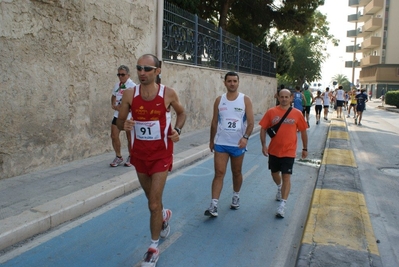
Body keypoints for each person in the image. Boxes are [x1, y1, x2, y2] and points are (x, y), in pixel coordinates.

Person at [117, 54, 186, 267]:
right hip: (139, 156)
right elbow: (119, 122)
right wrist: (124, 125)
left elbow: (182, 114)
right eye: (139, 68)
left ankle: (153, 247)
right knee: (151, 201)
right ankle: (165, 215)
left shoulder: (168, 94)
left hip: (161, 155)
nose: (142, 72)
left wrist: (177, 130)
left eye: (147, 69)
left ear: (157, 71)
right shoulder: (129, 94)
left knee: (153, 203)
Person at [204, 72, 254, 217]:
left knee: (236, 172)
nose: (232, 83)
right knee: (219, 173)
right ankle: (213, 205)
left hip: (238, 144)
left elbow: (251, 122)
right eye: (229, 81)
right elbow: (214, 122)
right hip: (221, 143)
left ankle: (236, 195)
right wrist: (211, 140)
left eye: (235, 81)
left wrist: (245, 138)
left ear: (238, 83)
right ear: (224, 83)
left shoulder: (245, 100)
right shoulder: (219, 100)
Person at [259, 89, 308, 218]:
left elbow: (303, 131)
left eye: (287, 97)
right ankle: (279, 187)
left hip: (289, 151)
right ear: (278, 98)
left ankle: (283, 205)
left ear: (291, 98)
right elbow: (263, 128)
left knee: (287, 176)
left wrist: (305, 148)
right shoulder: (271, 112)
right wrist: (263, 145)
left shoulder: (297, 114)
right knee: (274, 174)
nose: (284, 99)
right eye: (282, 97)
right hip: (274, 151)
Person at [110, 65, 136, 167]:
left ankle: (131, 156)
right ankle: (118, 156)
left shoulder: (133, 86)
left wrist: (126, 107)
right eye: (118, 74)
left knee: (129, 137)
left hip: (129, 115)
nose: (120, 77)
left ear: (128, 75)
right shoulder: (117, 85)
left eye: (122, 75)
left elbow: (136, 101)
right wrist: (113, 105)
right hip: (117, 115)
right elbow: (113, 95)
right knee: (113, 135)